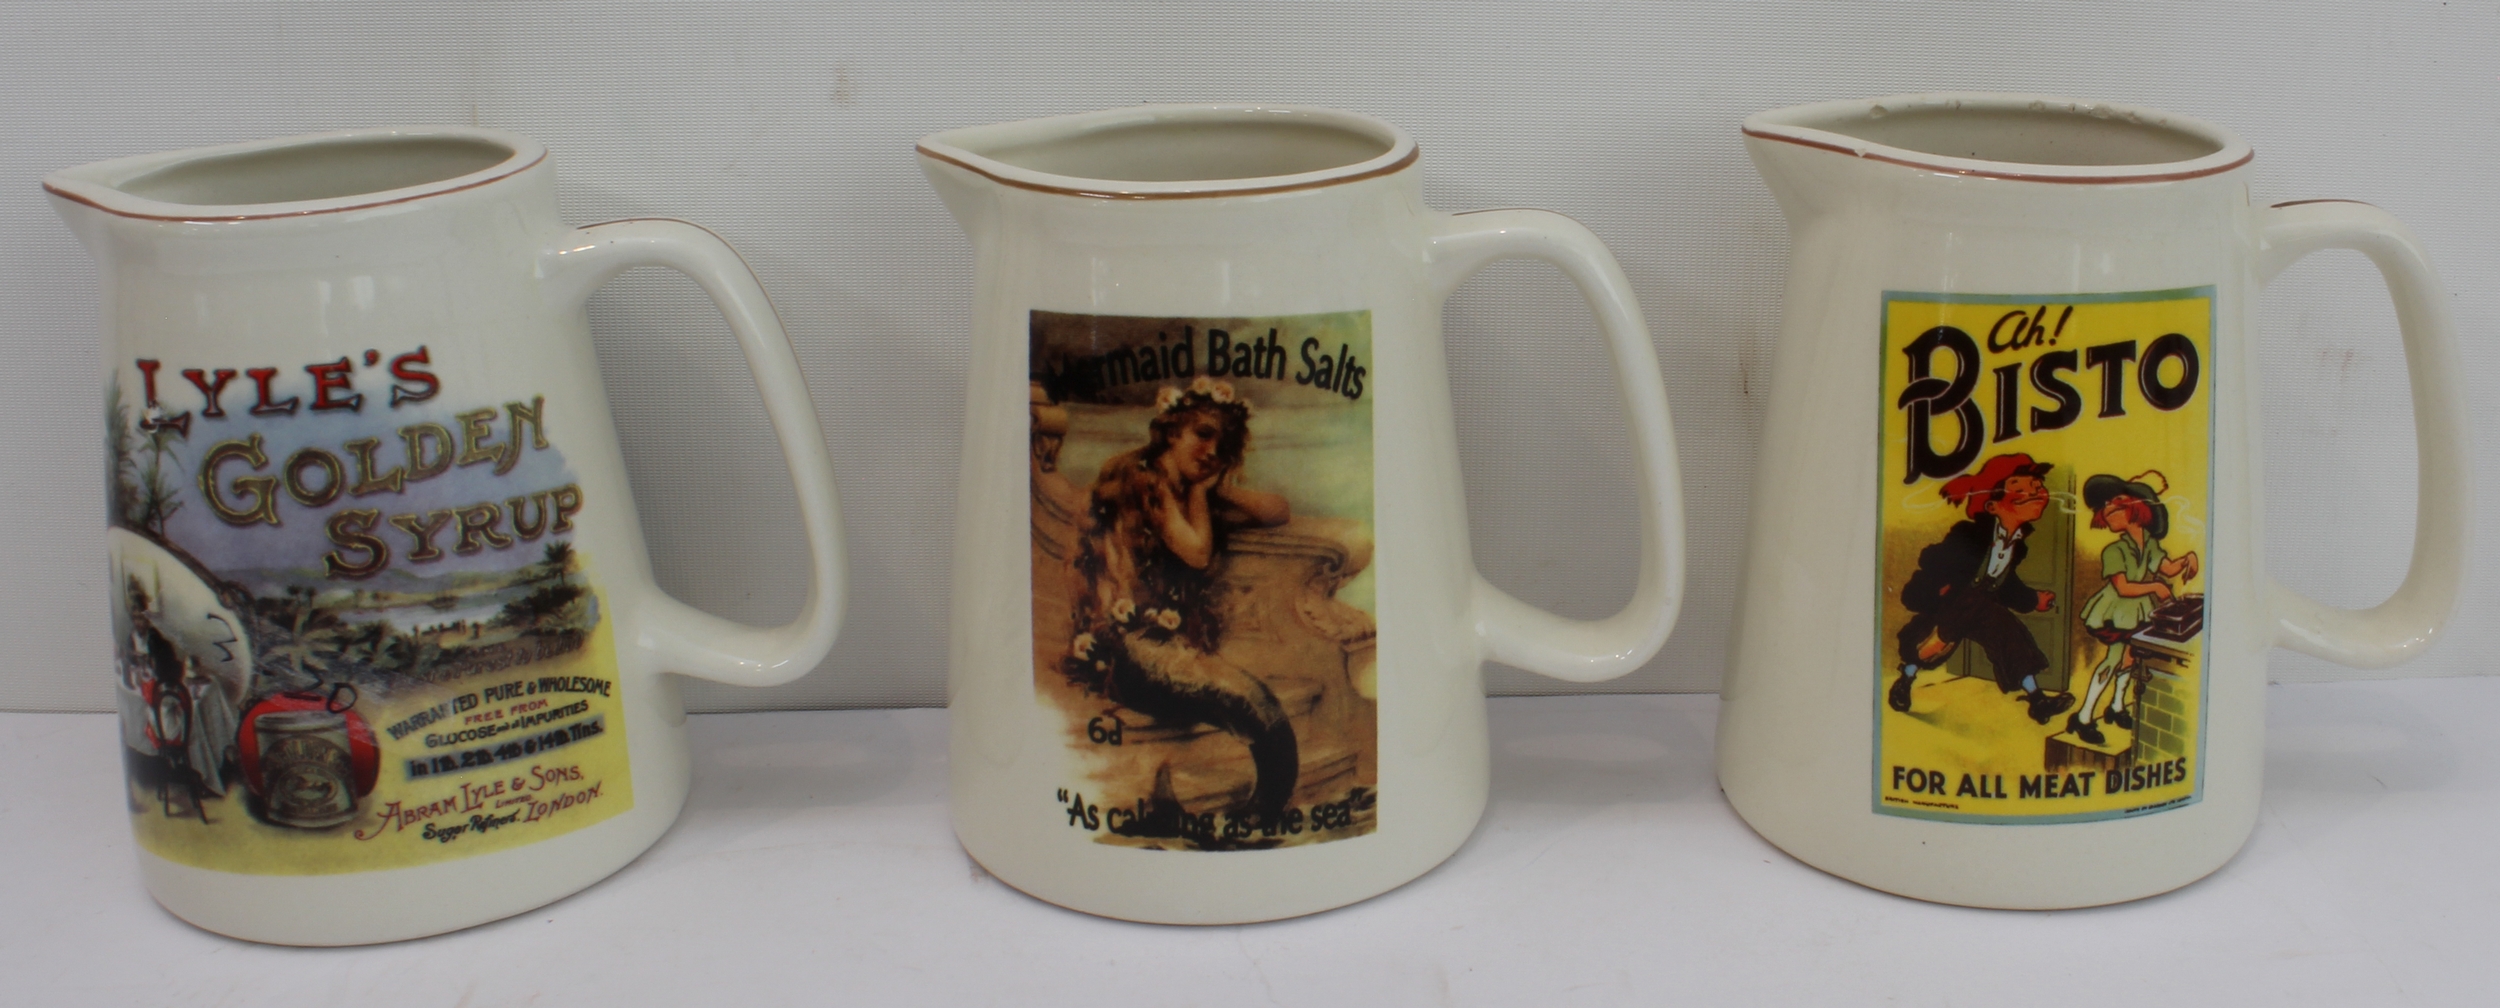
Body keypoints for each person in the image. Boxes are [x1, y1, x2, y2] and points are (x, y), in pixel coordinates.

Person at [1065, 377, 1298, 824]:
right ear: (1172, 432)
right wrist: (1200, 493)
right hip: (1126, 650)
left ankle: (1261, 809)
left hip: (1160, 643)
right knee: (1250, 700)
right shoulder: (1143, 479)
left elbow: (1278, 512)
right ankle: (1262, 811)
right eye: (1203, 434)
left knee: (1253, 702)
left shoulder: (1185, 488)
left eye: (1222, 446)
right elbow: (1196, 552)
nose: (1211, 451)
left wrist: (1219, 490)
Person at [1890, 453, 2076, 724]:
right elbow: (1933, 559)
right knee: (1930, 646)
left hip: (1984, 605)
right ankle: (1905, 680)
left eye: (2037, 487)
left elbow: (2006, 582)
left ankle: (2038, 701)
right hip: (1955, 602)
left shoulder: (2018, 546)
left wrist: (2032, 599)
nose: (2037, 492)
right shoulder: (1969, 534)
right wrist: (1937, 590)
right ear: (1992, 505)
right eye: (2021, 488)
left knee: (2012, 638)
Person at [2067, 472, 2199, 746]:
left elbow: (2167, 568)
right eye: (2105, 505)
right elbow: (2123, 587)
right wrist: (2156, 587)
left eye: (2116, 501)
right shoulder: (2114, 551)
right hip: (2116, 611)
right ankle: (2083, 717)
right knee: (2113, 659)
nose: (2108, 508)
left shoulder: (2149, 543)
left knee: (2130, 658)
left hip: (2138, 611)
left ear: (2139, 508)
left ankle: (2116, 707)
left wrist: (2189, 557)